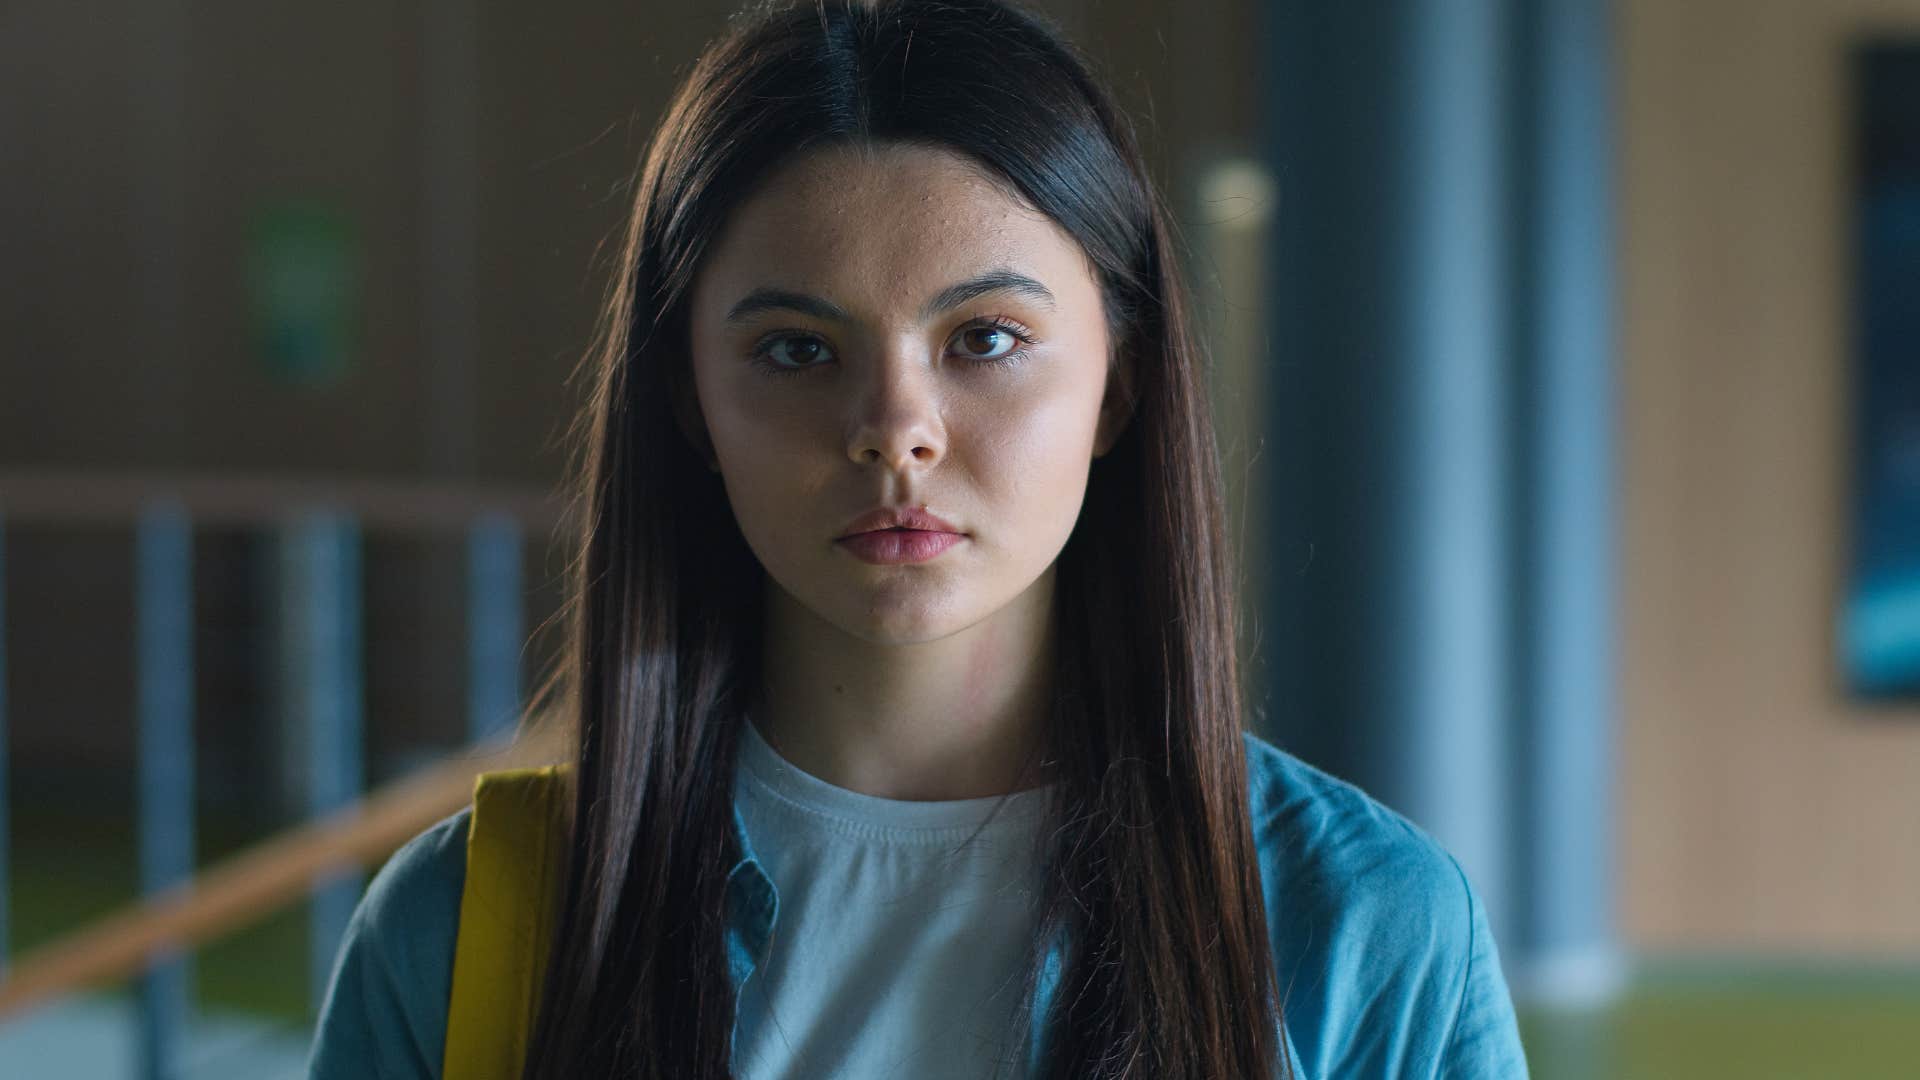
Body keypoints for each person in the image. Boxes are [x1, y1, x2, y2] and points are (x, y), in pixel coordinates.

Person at [307, 0, 1530, 1076]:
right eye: (797, 349)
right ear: (688, 399)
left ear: (1120, 382)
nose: (895, 432)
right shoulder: (464, 932)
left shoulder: (1367, 929)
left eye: (984, 339)